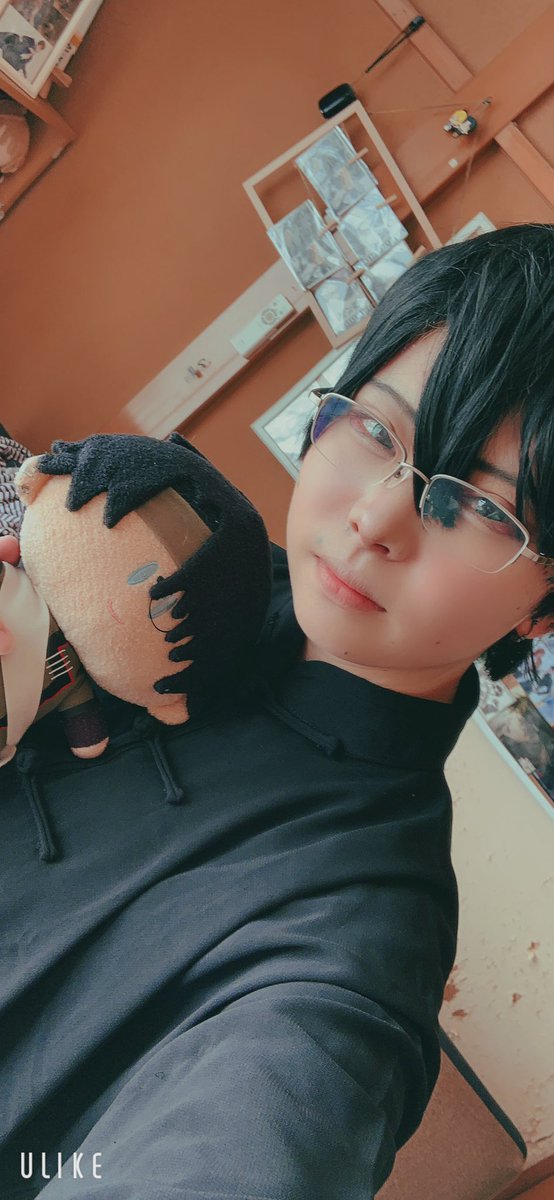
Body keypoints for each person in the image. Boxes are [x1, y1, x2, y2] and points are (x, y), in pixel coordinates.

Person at [0, 223, 552, 1199]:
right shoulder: (144, 556)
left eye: (479, 507)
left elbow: (253, 1137)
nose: (377, 519)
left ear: (541, 610)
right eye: (376, 431)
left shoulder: (358, 938)